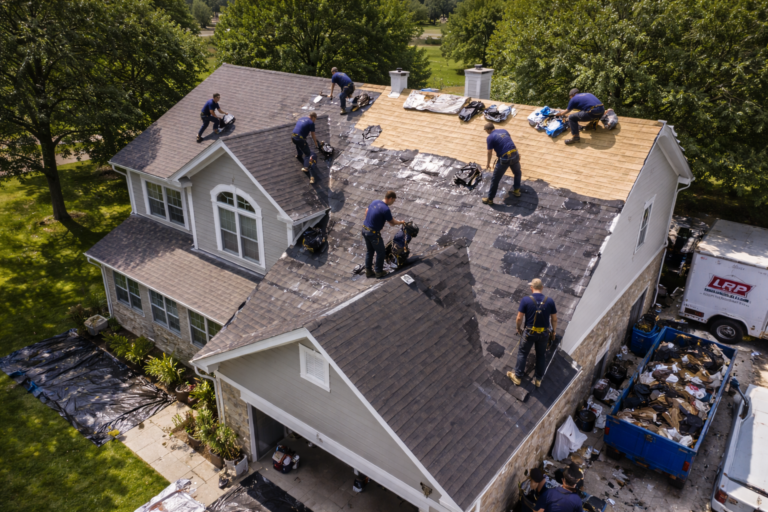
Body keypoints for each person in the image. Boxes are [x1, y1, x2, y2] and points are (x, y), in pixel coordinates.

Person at [508, 278, 558, 387]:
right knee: (541, 355)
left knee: (522, 353)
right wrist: (553, 332)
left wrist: (518, 328)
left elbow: (519, 318)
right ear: (542, 287)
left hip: (530, 333)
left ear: (531, 288)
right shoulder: (549, 301)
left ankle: (518, 377)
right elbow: (554, 319)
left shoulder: (526, 300)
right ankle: (538, 380)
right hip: (544, 334)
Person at [362, 191, 406, 279]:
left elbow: (367, 211)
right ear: (390, 198)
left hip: (364, 229)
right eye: (393, 201)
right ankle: (378, 271)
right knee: (381, 252)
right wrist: (401, 222)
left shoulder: (375, 202)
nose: (393, 202)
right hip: (373, 233)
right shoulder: (385, 209)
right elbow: (392, 223)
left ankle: (369, 271)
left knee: (370, 251)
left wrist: (369, 221)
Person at [482, 123, 521, 205]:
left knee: (495, 180)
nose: (486, 132)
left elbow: (489, 152)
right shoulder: (504, 130)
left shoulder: (490, 137)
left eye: (485, 130)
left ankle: (490, 199)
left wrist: (488, 164)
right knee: (517, 173)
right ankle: (517, 190)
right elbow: (508, 140)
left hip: (505, 159)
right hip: (515, 154)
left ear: (488, 129)